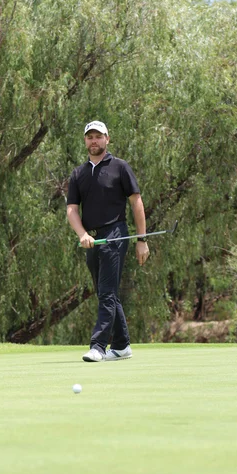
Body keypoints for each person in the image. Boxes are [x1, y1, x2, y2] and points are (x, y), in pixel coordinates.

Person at [67, 120, 150, 362]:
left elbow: (136, 202)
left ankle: (98, 346)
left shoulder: (120, 167)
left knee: (106, 292)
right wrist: (82, 234)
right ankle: (122, 345)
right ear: (85, 141)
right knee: (106, 292)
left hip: (115, 233)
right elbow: (72, 209)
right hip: (92, 237)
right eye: (90, 136)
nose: (94, 140)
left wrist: (142, 239)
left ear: (107, 139)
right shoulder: (79, 174)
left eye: (98, 136)